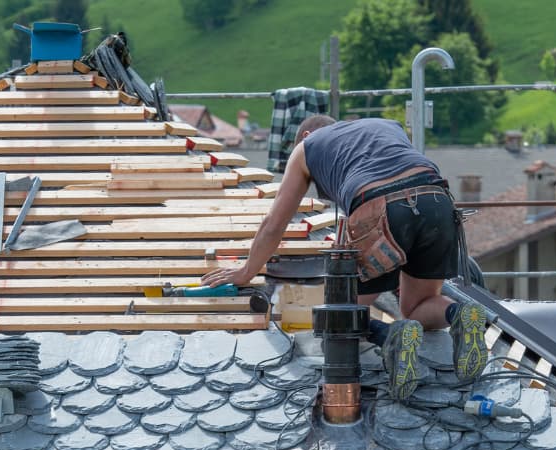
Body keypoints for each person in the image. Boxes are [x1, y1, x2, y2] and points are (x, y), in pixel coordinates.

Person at [202, 115, 488, 400]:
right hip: (437, 201)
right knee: (416, 306)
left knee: (340, 315)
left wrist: (246, 271)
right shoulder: (384, 125)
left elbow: (274, 224)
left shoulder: (306, 148)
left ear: (306, 136)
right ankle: (459, 313)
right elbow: (401, 181)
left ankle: (391, 336)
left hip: (380, 208)